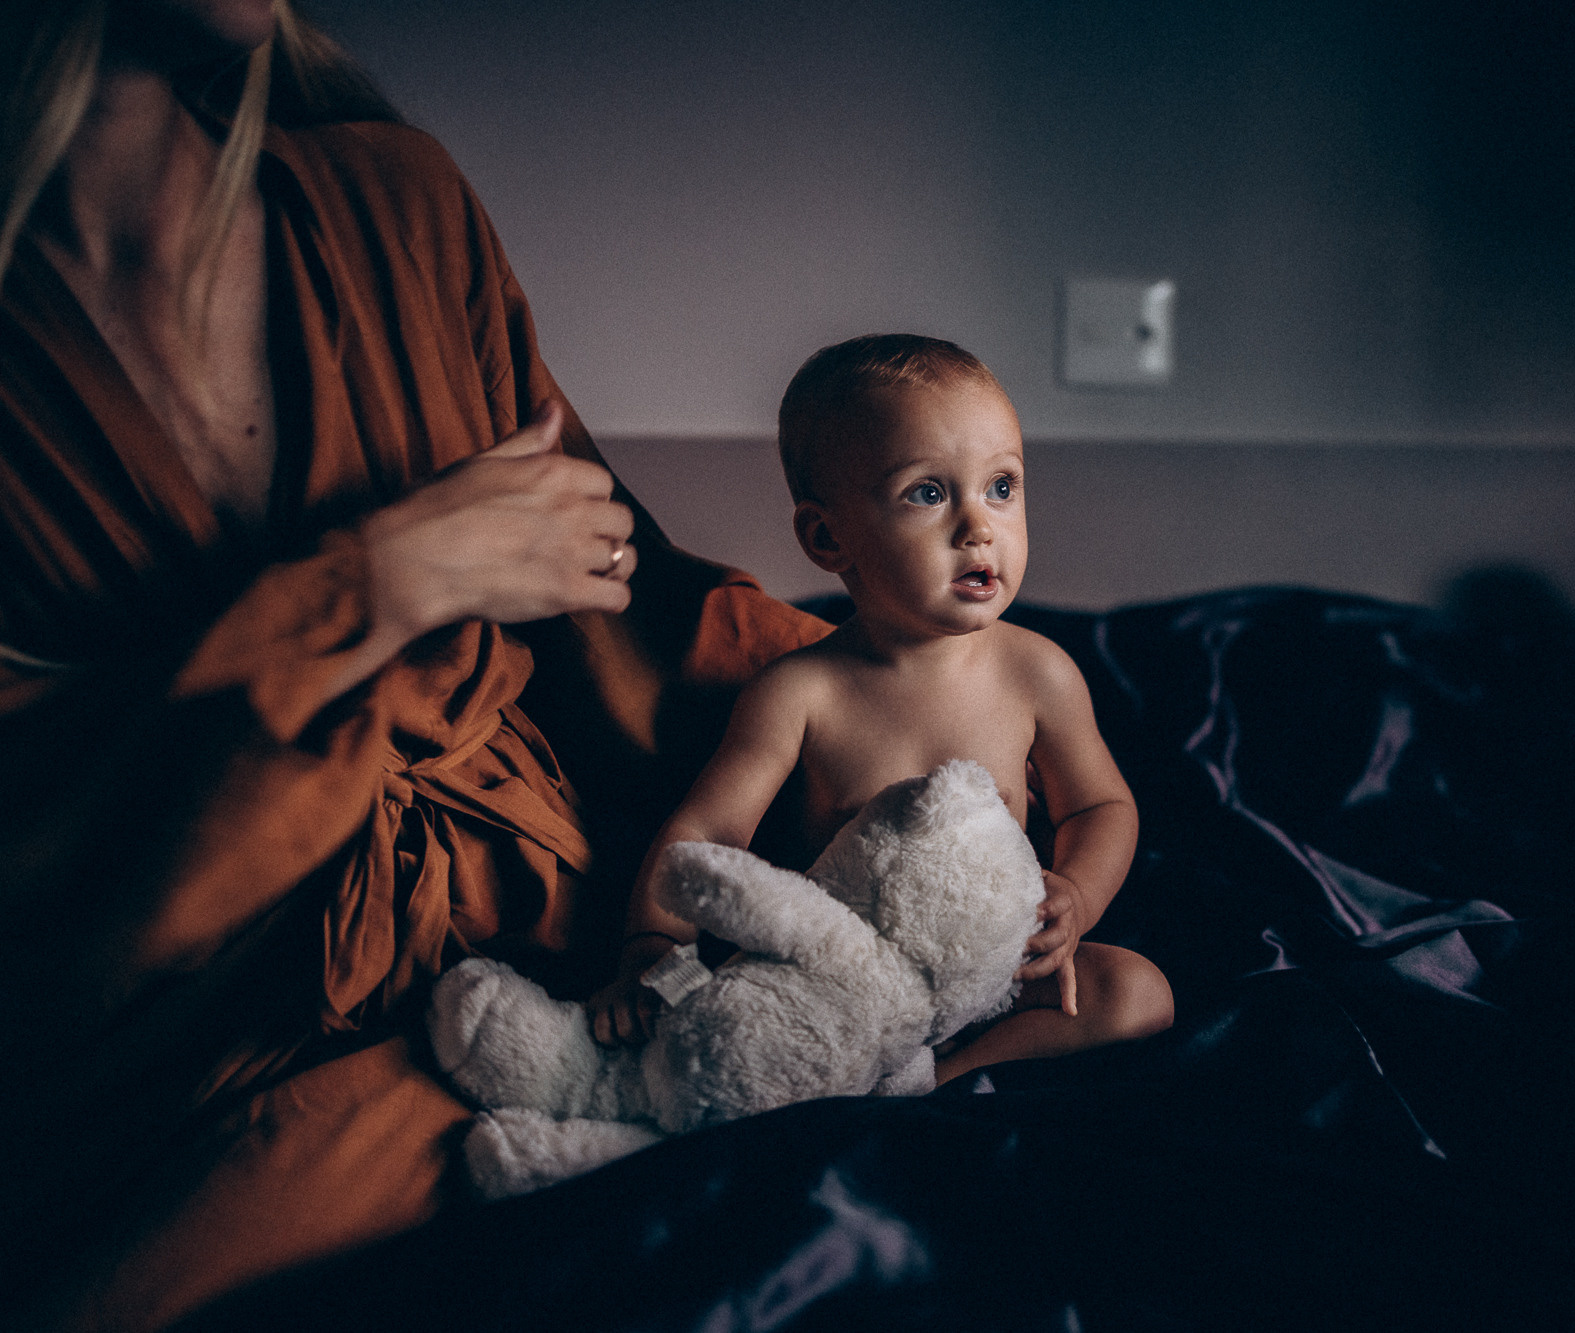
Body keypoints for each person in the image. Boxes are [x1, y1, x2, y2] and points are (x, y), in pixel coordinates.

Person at [0, 3, 825, 1327]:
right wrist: (376, 582)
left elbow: (625, 609)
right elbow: (45, 855)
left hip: (549, 940)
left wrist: (889, 707)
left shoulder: (399, 206)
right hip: (181, 1037)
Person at [588, 336, 1174, 1084]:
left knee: (1138, 993)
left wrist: (1078, 895)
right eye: (928, 493)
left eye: (1002, 486)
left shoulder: (1038, 671)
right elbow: (705, 835)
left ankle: (940, 1076)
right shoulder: (801, 691)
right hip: (841, 983)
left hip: (991, 976)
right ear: (829, 537)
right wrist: (651, 953)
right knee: (744, 1040)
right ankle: (866, 1068)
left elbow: (1099, 803)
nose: (978, 525)